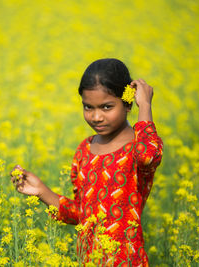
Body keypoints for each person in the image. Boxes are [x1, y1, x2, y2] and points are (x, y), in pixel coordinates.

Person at [11, 58, 163, 266]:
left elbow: (148, 156)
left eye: (107, 107)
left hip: (127, 261)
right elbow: (82, 215)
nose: (96, 117)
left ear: (128, 103)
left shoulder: (137, 146)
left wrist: (144, 105)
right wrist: (41, 191)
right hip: (89, 260)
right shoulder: (85, 149)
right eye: (88, 107)